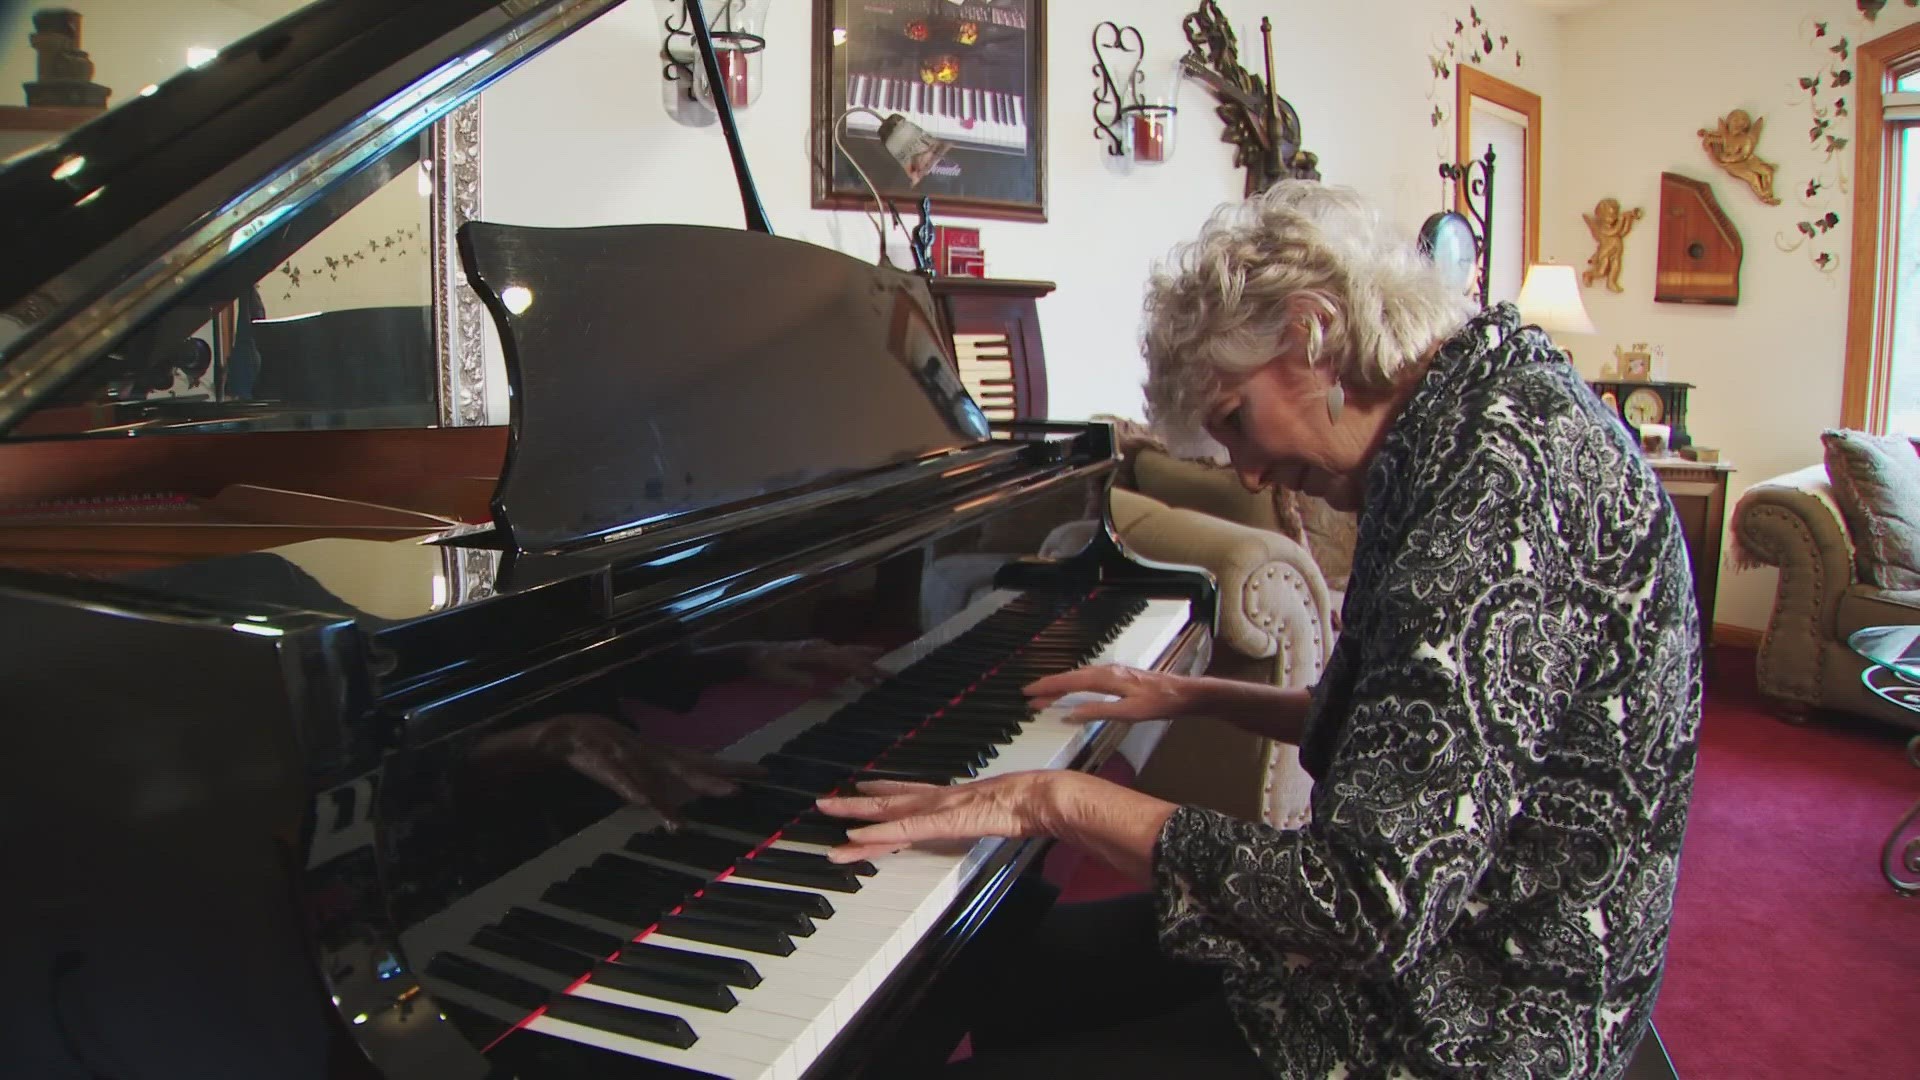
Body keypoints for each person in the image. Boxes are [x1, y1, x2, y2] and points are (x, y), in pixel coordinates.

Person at [816, 181, 1702, 1079]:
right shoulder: (1455, 415)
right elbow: (1392, 724)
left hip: (1473, 1017)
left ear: (1313, 333)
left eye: (1235, 420)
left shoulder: (1499, 486)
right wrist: (1192, 693)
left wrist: (1051, 799)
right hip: (1427, 952)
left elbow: (1365, 902)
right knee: (999, 970)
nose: (1242, 475)